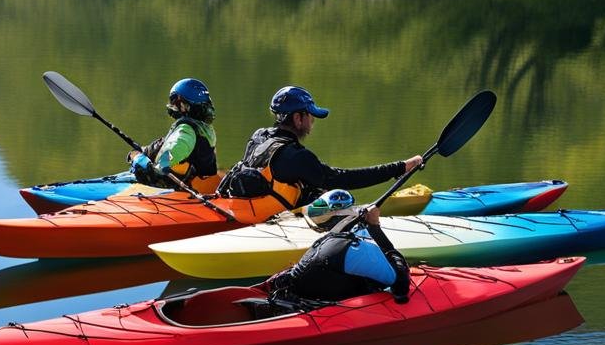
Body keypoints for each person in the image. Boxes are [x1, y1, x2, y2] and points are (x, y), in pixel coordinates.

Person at [219, 85, 423, 208]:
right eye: (310, 115)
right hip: (266, 220)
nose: (313, 121)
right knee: (339, 197)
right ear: (298, 118)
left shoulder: (258, 136)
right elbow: (344, 178)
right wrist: (400, 167)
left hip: (242, 206)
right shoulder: (296, 156)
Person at [266, 189, 411, 304]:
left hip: (302, 299)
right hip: (324, 311)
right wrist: (375, 227)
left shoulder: (324, 242)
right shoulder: (353, 248)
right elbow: (401, 284)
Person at [128, 78, 218, 189]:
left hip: (174, 193)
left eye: (175, 101)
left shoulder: (185, 132)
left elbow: (161, 168)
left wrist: (138, 159)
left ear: (185, 105)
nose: (173, 105)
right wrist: (145, 151)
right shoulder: (205, 130)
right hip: (196, 186)